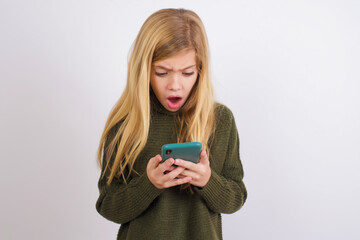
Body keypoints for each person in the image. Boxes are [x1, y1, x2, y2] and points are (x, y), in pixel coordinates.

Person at [96, 8, 247, 240]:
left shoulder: (220, 120)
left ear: (200, 70)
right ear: (144, 71)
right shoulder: (126, 125)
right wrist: (149, 184)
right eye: (162, 72)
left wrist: (208, 180)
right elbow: (108, 205)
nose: (175, 85)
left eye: (187, 73)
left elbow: (236, 198)